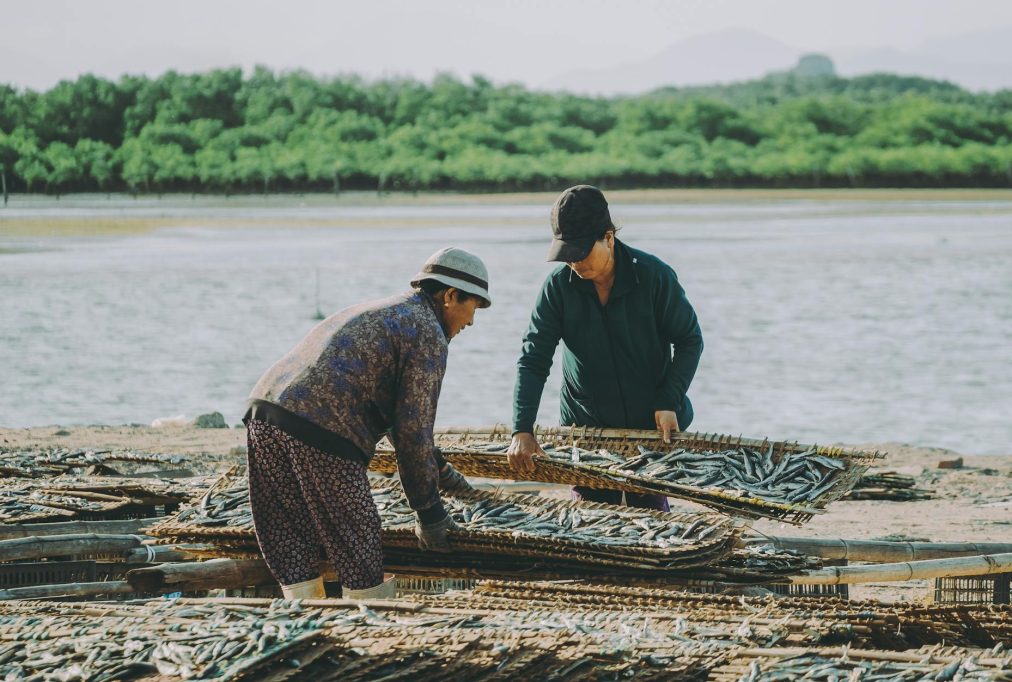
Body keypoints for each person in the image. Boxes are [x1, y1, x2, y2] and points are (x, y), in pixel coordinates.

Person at [244, 247, 488, 600]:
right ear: (450, 296)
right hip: (323, 427)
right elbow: (412, 433)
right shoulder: (427, 332)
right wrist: (431, 514)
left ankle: (304, 628)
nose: (471, 322)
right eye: (473, 309)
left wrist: (444, 475)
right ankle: (365, 633)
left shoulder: (388, 311)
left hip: (264, 411)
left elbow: (397, 422)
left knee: (291, 538)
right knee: (358, 542)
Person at [507, 185, 702, 511]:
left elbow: (689, 340)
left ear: (608, 237)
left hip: (650, 425)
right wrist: (522, 429)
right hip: (586, 426)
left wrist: (669, 400)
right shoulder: (558, 288)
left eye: (581, 252)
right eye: (566, 254)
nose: (574, 263)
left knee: (651, 515)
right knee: (591, 519)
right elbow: (534, 359)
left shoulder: (654, 276)